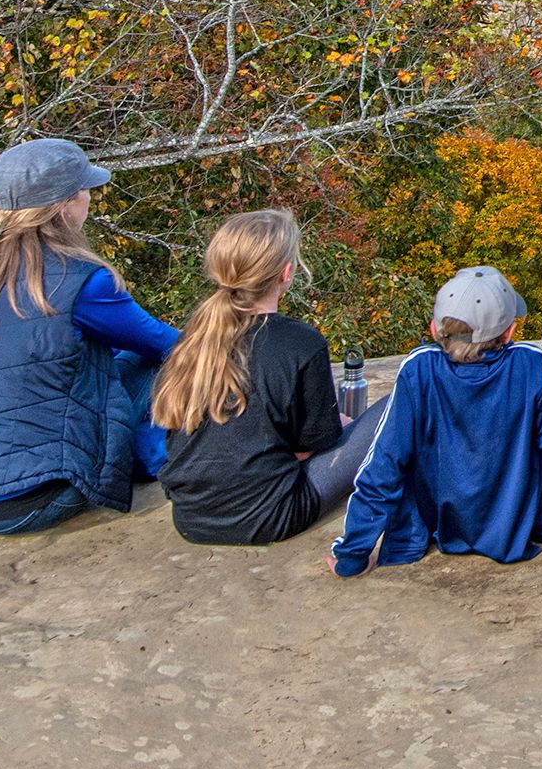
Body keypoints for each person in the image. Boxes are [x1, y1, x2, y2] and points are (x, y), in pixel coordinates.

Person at [0, 139, 177, 536]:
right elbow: (169, 344)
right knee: (151, 362)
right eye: (85, 190)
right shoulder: (82, 281)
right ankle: (154, 459)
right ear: (65, 204)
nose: (89, 198)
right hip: (25, 499)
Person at [331, 266, 542, 575]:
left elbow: (383, 464)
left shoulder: (418, 370)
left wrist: (352, 555)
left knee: (541, 375)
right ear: (509, 333)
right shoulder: (528, 366)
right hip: (520, 526)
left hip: (441, 525)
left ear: (435, 329)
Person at [154, 209, 386, 546]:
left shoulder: (192, 339)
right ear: (287, 273)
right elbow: (313, 447)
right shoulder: (300, 344)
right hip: (268, 516)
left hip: (191, 519)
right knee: (394, 406)